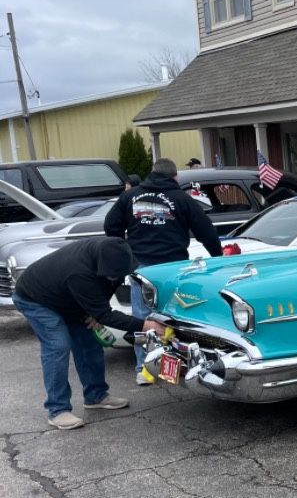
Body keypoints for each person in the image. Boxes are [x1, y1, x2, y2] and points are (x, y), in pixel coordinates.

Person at [12, 237, 166, 430]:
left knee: (89, 342)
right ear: (101, 266)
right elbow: (106, 314)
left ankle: (96, 396)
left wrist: (95, 311)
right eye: (111, 275)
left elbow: (108, 288)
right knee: (57, 345)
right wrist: (145, 324)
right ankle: (57, 410)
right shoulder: (79, 273)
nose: (115, 277)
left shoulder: (118, 258)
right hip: (35, 298)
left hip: (68, 297)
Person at [104, 157, 223, 384]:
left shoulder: (129, 196)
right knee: (173, 317)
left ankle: (144, 370)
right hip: (173, 268)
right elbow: (205, 231)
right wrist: (217, 256)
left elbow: (111, 225)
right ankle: (173, 368)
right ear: (174, 176)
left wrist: (123, 248)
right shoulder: (181, 198)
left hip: (141, 267)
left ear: (152, 173)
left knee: (142, 318)